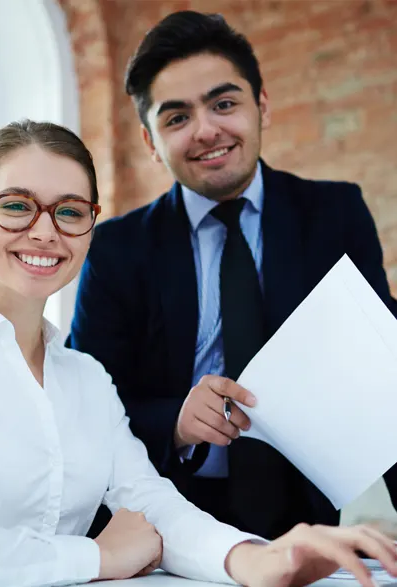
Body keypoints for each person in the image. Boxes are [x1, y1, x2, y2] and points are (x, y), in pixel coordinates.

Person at [0, 119, 396, 587]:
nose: (45, 232)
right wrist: (96, 557)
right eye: (15, 205)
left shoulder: (86, 378)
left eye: (69, 212)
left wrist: (259, 561)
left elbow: (153, 503)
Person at [68, 10, 397, 541]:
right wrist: (174, 421)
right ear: (151, 143)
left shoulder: (336, 215)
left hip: (303, 513)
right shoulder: (114, 249)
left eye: (224, 104)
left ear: (261, 105)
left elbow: (383, 370)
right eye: (176, 118)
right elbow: (85, 401)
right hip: (164, 514)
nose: (206, 130)